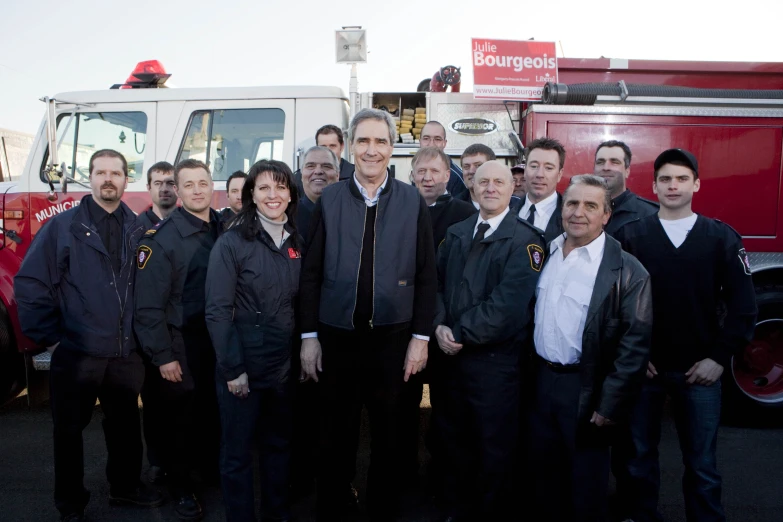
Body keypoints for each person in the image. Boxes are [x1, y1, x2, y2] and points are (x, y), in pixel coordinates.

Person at [299, 108, 437, 522]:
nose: (371, 150)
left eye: (380, 141)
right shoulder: (333, 198)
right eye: (363, 141)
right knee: (334, 439)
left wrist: (421, 338)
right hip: (337, 339)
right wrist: (309, 337)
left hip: (393, 343)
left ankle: (382, 512)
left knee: (390, 440)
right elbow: (311, 273)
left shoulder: (412, 201)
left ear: (392, 148)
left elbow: (427, 276)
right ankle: (334, 510)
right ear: (350, 147)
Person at [14, 149, 163, 522]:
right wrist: (51, 338)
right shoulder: (63, 227)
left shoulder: (138, 228)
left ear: (126, 180)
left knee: (126, 427)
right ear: (90, 178)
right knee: (68, 432)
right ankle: (70, 503)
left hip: (124, 353)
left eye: (116, 172)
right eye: (100, 172)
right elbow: (31, 283)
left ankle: (125, 489)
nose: (108, 179)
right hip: (77, 353)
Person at [614, 149, 757, 522]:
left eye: (680, 178)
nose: (672, 185)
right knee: (638, 459)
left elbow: (744, 307)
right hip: (645, 372)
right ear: (654, 186)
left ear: (696, 184)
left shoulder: (720, 238)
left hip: (700, 373)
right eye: (665, 179)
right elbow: (613, 307)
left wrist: (717, 359)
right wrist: (633, 357)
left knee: (703, 465)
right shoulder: (630, 236)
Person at [528, 174, 652, 522]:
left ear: (606, 215)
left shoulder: (628, 271)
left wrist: (608, 405)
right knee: (543, 479)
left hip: (585, 389)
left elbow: (634, 347)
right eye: (572, 203)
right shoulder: (545, 253)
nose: (578, 212)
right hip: (541, 383)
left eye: (590, 205)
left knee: (586, 486)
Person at [434, 161, 544, 521]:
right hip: (450, 363)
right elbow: (432, 285)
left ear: (512, 188)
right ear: (472, 187)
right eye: (484, 182)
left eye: (499, 181)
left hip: (495, 366)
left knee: (492, 448)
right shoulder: (456, 233)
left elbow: (509, 306)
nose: (491, 188)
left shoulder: (526, 240)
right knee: (451, 442)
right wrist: (438, 326)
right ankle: (453, 510)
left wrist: (460, 333)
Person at [205, 160, 302, 522]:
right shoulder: (232, 242)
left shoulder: (296, 241)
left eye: (280, 187)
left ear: (291, 194)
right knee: (237, 455)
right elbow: (217, 311)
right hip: (242, 369)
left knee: (278, 449)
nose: (272, 195)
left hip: (282, 370)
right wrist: (233, 369)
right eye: (264, 188)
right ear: (252, 196)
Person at [134, 159, 222, 520]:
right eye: (189, 185)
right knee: (180, 423)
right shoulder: (161, 239)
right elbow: (147, 307)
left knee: (210, 415)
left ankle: (206, 473)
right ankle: (181, 488)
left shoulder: (225, 226)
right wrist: (163, 356)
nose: (198, 190)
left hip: (217, 342)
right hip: (181, 344)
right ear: (178, 191)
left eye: (203, 182)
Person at [402, 146, 477, 487]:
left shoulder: (465, 213)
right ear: (412, 174)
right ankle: (404, 473)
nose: (428, 177)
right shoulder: (399, 209)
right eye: (421, 171)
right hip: (404, 326)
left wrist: (444, 321)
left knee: (447, 409)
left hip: (445, 325)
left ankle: (444, 476)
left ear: (449, 176)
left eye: (435, 171)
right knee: (403, 407)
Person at [593, 140, 657, 237]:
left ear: (627, 171)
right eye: (600, 162)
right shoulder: (580, 210)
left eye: (614, 162)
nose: (606, 167)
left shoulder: (650, 215)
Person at [517, 137, 566, 242]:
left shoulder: (570, 216)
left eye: (548, 168)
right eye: (534, 166)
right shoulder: (506, 211)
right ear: (525, 170)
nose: (539, 174)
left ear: (559, 174)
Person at [298, 146, 340, 242]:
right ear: (301, 175)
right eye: (310, 166)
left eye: (326, 166)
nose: (318, 171)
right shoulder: (288, 218)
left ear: (337, 175)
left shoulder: (349, 214)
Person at [420, 121, 470, 202]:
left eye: (437, 139)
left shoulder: (456, 177)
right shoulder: (416, 171)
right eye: (426, 138)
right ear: (420, 141)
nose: (431, 144)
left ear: (444, 143)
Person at [139, 161, 177, 229]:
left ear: (177, 188)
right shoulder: (136, 227)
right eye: (158, 183)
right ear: (149, 188)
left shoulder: (190, 223)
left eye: (170, 183)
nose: (164, 189)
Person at [460, 143, 496, 211]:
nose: (471, 171)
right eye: (466, 166)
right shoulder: (453, 208)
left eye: (478, 165)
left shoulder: (513, 205)